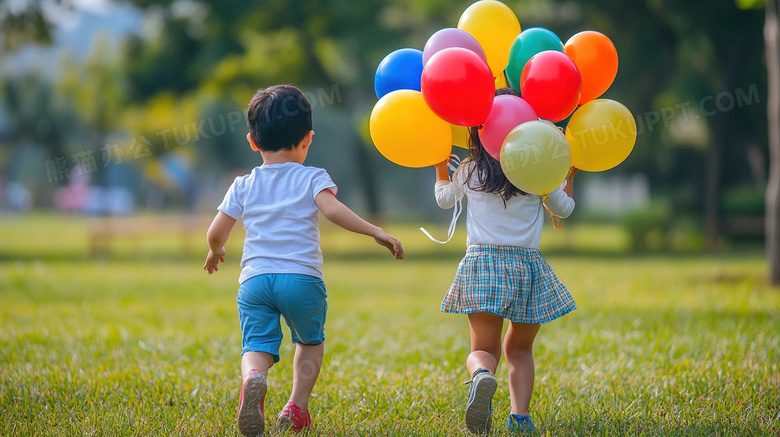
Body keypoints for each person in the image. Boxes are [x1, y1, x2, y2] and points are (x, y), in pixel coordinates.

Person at [204, 84, 404, 437]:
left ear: (253, 141)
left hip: (255, 281)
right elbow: (334, 212)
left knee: (256, 346)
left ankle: (254, 376)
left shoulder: (243, 184)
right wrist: (375, 231)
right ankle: (296, 406)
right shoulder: (312, 177)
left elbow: (216, 231)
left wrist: (217, 250)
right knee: (309, 342)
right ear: (307, 139)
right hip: (302, 280)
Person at [432, 108, 577, 435]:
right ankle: (520, 418)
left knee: (483, 350)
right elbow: (564, 209)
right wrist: (568, 178)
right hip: (526, 269)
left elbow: (444, 199)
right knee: (520, 349)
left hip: (483, 265)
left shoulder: (470, 169)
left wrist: (441, 166)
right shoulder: (539, 168)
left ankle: (482, 374)